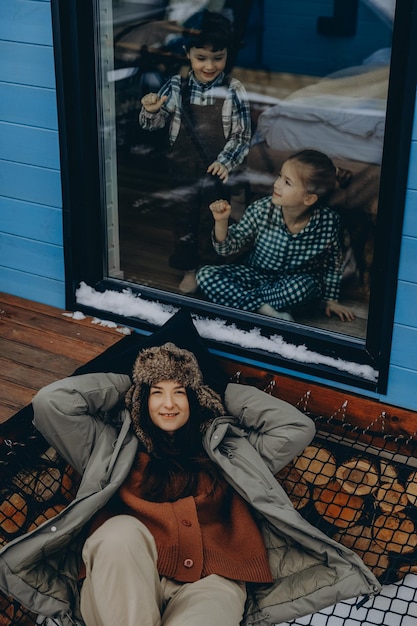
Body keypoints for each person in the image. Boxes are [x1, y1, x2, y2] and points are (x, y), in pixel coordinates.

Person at [0, 342, 380, 626]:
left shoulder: (232, 453)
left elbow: (297, 427)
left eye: (180, 391)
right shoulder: (107, 446)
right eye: (156, 392)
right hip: (125, 577)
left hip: (213, 581)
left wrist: (219, 392)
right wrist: (128, 385)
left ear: (194, 398)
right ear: (141, 400)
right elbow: (53, 402)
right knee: (119, 533)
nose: (169, 403)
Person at [139, 10, 251, 294]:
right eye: (201, 58)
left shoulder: (234, 90)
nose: (210, 66)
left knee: (212, 219)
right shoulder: (177, 86)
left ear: (228, 55)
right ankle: (189, 268)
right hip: (182, 167)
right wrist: (150, 111)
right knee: (184, 218)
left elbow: (241, 134)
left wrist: (226, 162)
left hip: (216, 173)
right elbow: (154, 124)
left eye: (218, 57)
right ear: (188, 53)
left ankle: (209, 267)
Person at [196, 149, 356, 322]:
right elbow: (228, 248)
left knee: (301, 288)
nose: (276, 184)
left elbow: (333, 263)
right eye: (280, 176)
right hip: (255, 275)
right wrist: (221, 222)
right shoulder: (261, 209)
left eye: (287, 182)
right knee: (205, 275)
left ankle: (241, 300)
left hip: (293, 283)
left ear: (309, 199)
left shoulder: (328, 222)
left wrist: (331, 300)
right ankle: (264, 309)